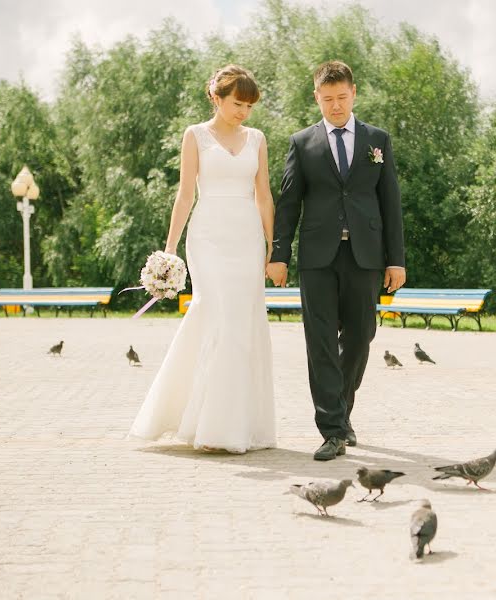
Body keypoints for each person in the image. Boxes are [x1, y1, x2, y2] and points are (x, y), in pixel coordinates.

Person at [130, 65, 276, 454]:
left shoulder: (258, 139)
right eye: (237, 103)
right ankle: (200, 419)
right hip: (207, 236)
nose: (243, 111)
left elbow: (263, 196)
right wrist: (170, 248)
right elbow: (184, 194)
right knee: (216, 313)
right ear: (217, 97)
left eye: (248, 105)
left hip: (247, 238)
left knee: (242, 323)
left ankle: (230, 425)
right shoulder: (195, 135)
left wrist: (273, 245)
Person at [267, 60, 406, 461]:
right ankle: (332, 430)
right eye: (327, 99)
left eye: (342, 98)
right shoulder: (302, 143)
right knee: (321, 344)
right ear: (316, 97)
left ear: (354, 93)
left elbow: (390, 203)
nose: (335, 106)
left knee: (361, 337)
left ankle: (341, 412)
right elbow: (289, 203)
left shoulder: (377, 140)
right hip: (317, 259)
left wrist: (395, 260)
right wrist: (279, 254)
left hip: (366, 256)